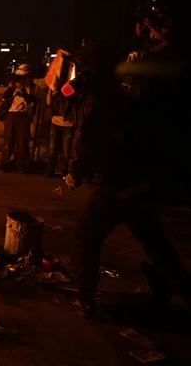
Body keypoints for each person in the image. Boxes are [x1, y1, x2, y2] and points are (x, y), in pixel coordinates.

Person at [62, 41, 191, 318]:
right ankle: (185, 294)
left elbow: (85, 145)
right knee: (155, 242)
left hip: (112, 184)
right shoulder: (120, 95)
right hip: (137, 181)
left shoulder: (97, 101)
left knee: (86, 237)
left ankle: (84, 301)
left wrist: (75, 174)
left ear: (89, 72)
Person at [0, 64, 40, 173]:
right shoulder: (14, 87)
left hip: (24, 115)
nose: (22, 79)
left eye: (24, 76)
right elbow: (5, 96)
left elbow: (30, 100)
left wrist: (22, 88)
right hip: (11, 114)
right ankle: (4, 163)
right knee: (8, 139)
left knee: (22, 141)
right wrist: (12, 85)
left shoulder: (35, 88)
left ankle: (19, 165)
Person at [44, 50, 76, 178]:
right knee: (54, 149)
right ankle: (51, 170)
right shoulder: (55, 88)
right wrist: (50, 89)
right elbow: (48, 102)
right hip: (56, 120)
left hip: (67, 122)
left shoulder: (70, 89)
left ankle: (65, 170)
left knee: (66, 150)